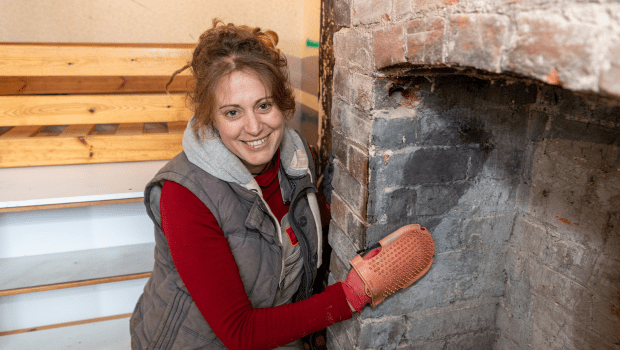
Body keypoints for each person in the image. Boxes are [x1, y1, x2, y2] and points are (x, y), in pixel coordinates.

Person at [129, 20, 432, 350]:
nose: (255, 127)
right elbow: (240, 332)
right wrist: (352, 295)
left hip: (271, 327)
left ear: (281, 103)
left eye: (263, 105)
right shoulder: (184, 196)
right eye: (233, 112)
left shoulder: (294, 156)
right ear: (210, 119)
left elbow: (293, 226)